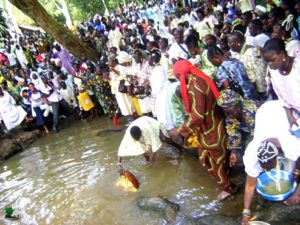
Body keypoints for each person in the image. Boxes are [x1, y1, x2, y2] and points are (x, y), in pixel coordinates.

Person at [170, 60, 236, 200]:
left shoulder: (195, 85)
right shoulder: (201, 77)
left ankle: (227, 188)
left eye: (177, 76)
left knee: (213, 160)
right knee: (218, 156)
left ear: (182, 74)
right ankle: (228, 176)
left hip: (210, 129)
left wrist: (182, 132)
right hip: (216, 122)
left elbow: (198, 115)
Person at [241, 101, 300, 225]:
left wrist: (296, 194)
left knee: (294, 164)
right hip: (264, 111)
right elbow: (250, 185)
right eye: (265, 169)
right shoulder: (252, 153)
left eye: (269, 168)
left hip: (288, 111)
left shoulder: (292, 144)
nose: (268, 171)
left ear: (277, 156)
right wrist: (246, 212)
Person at [216, 89, 258, 167]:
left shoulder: (250, 112)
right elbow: (233, 135)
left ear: (238, 105)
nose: (229, 115)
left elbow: (257, 136)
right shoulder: (230, 117)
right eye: (226, 112)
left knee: (251, 152)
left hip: (265, 129)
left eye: (230, 112)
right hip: (249, 131)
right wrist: (234, 152)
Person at [263, 38, 300, 125]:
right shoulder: (274, 71)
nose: (270, 64)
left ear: (282, 54)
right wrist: (289, 114)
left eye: (273, 60)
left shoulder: (298, 67)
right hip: (296, 112)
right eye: (267, 61)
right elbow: (281, 95)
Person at [148, 50, 174, 130]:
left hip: (162, 94)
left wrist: (150, 90)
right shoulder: (158, 68)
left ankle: (169, 130)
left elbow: (158, 86)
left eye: (149, 59)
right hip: (161, 94)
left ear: (153, 61)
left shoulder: (158, 70)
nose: (148, 61)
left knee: (165, 113)